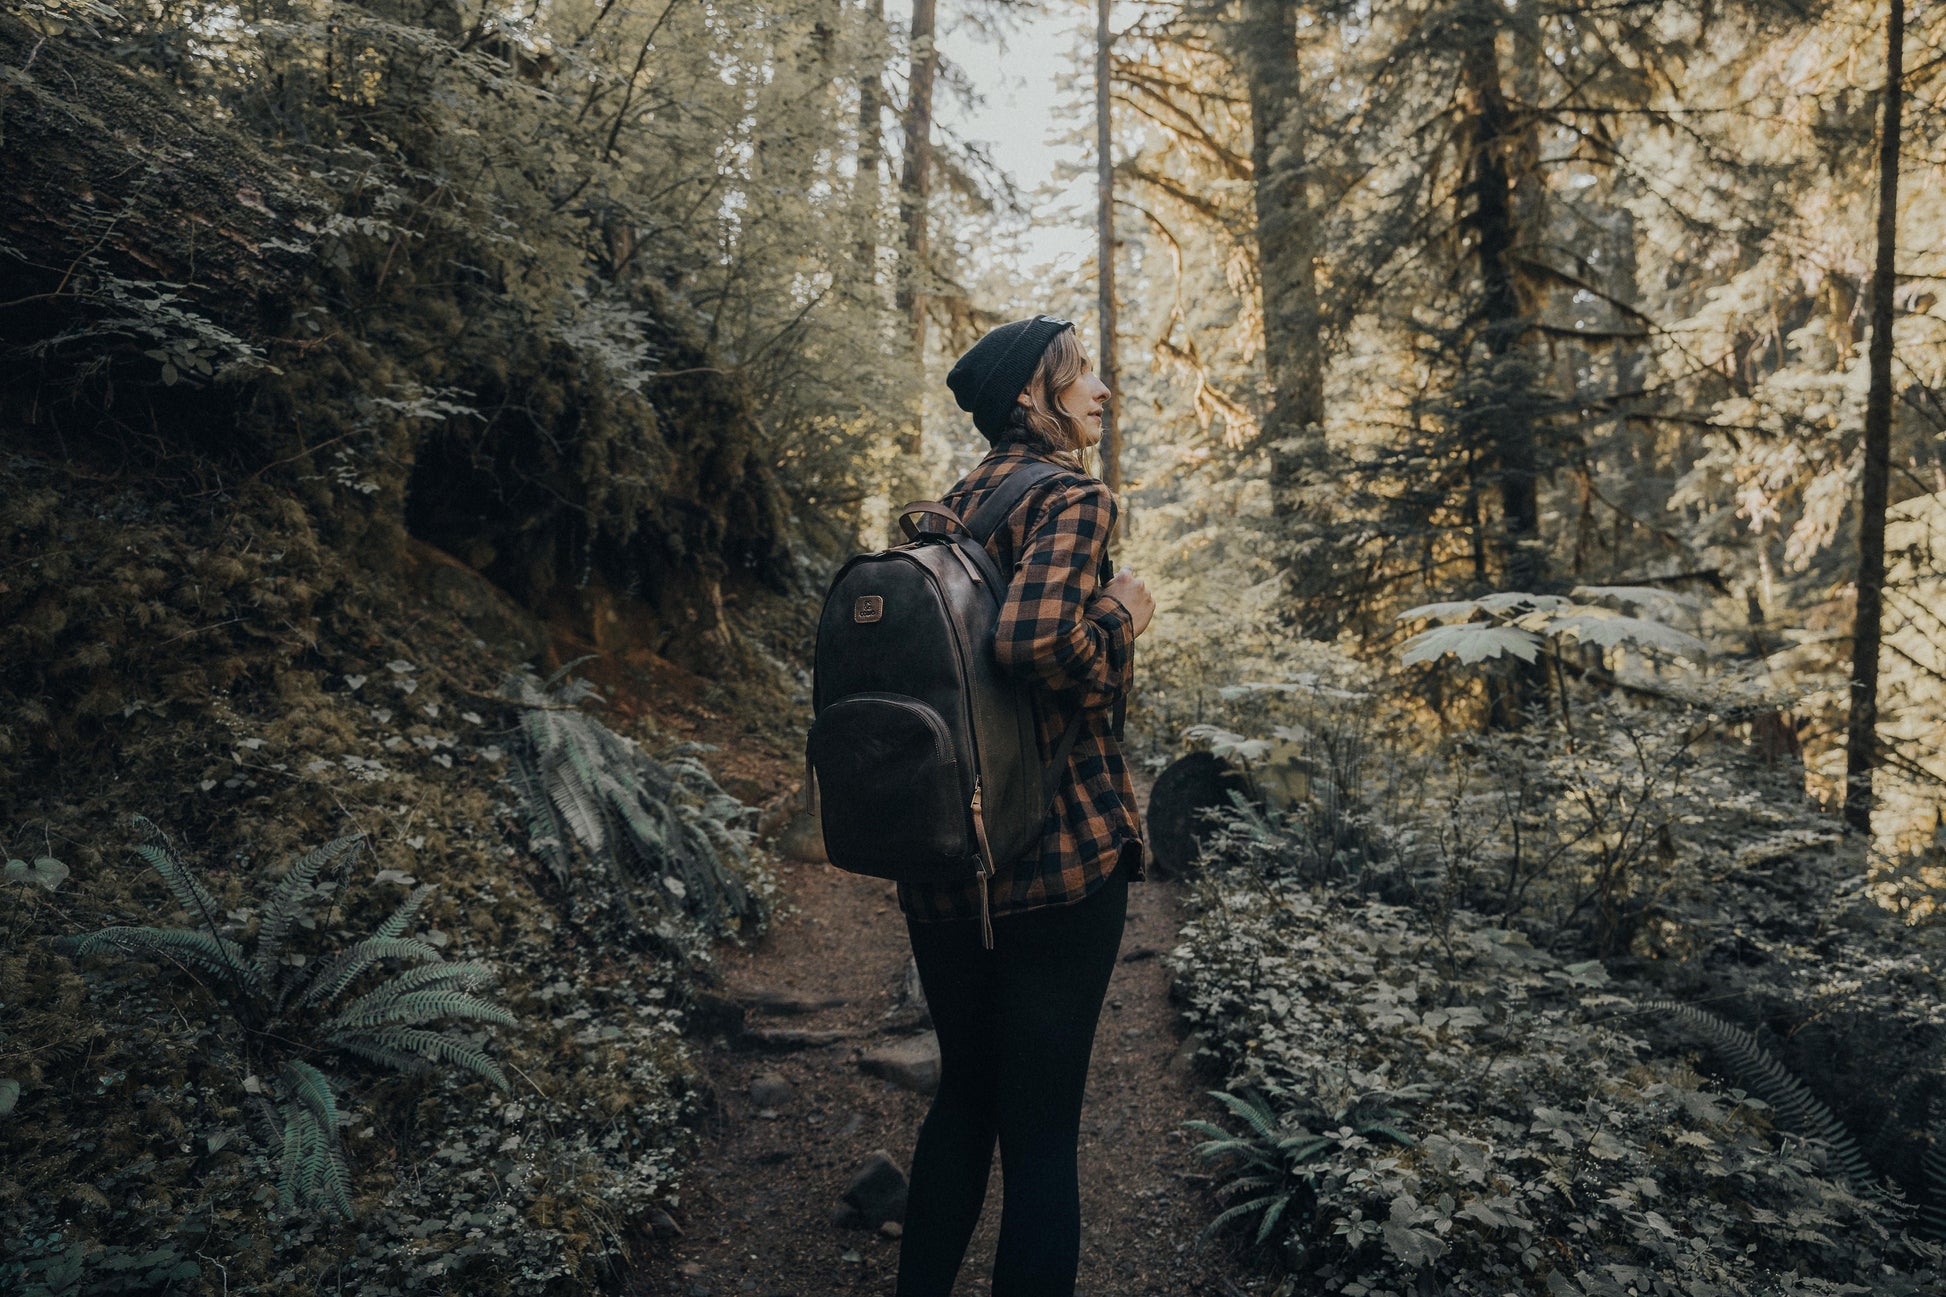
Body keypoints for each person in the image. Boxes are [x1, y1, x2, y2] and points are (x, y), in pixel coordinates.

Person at [894, 314, 1156, 1297]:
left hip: (945, 861)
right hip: (1055, 860)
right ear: (1030, 402)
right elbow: (1034, 642)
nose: (1098, 391)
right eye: (1078, 374)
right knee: (1041, 1134)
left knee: (965, 1099)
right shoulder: (1073, 499)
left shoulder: (944, 512)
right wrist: (1120, 619)